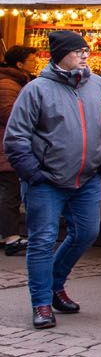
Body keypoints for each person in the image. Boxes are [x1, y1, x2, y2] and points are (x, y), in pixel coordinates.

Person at [2, 31, 101, 329]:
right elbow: (16, 137)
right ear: (60, 55)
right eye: (78, 51)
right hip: (46, 180)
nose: (84, 55)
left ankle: (54, 284)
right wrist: (33, 173)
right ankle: (41, 302)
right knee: (42, 240)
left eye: (86, 50)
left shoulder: (98, 85)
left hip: (87, 177)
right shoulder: (36, 89)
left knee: (86, 233)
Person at [0, 45, 39, 257]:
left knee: (7, 192)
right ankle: (11, 237)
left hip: (7, 145)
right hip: (6, 147)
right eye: (32, 61)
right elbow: (10, 116)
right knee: (9, 192)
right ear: (19, 64)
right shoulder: (8, 85)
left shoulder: (16, 83)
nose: (35, 65)